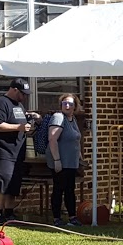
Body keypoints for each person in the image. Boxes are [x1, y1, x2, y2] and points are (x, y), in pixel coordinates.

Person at [0, 79, 39, 224]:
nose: (25, 96)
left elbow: (20, 121)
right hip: (2, 150)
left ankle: (9, 213)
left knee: (14, 182)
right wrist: (18, 128)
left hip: (17, 151)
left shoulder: (19, 105)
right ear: (14, 89)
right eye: (23, 93)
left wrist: (30, 119)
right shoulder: (0, 103)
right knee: (3, 180)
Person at [47, 93, 82, 226]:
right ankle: (57, 218)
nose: (67, 106)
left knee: (70, 190)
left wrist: (80, 156)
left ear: (75, 106)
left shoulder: (72, 119)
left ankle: (72, 217)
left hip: (71, 162)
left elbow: (75, 139)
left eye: (70, 104)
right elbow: (52, 139)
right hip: (60, 161)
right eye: (64, 103)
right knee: (59, 189)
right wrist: (57, 160)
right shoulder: (58, 117)